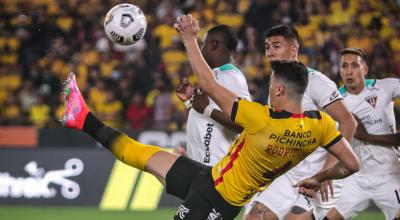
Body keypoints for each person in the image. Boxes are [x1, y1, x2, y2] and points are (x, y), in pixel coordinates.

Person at [61, 15, 360, 219]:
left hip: (217, 197)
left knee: (140, 156)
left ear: (279, 89)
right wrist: (319, 177)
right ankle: (82, 117)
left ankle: (83, 118)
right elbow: (352, 163)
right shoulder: (319, 125)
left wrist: (190, 39)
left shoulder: (260, 118)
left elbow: (209, 85)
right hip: (210, 177)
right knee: (144, 155)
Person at [244, 25, 357, 220]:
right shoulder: (275, 80)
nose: (269, 52)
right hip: (286, 170)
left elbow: (348, 122)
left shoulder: (316, 82)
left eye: (276, 46)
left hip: (317, 172)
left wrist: (327, 172)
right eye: (267, 46)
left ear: (294, 49)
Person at [325, 47, 400, 220]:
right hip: (356, 178)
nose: (349, 71)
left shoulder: (384, 87)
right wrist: (327, 170)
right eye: (344, 66)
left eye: (354, 66)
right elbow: (333, 140)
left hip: (390, 175)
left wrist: (367, 136)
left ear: (365, 69)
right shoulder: (334, 101)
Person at [175, 24, 251, 166]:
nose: (202, 48)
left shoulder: (230, 75)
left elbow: (243, 124)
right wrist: (190, 102)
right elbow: (207, 119)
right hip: (202, 168)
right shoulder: (215, 76)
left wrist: (207, 110)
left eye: (203, 43)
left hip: (217, 172)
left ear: (213, 45)